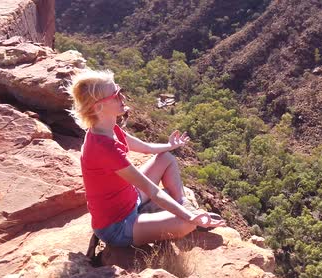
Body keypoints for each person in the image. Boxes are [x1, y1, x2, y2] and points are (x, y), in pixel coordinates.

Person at [68, 69, 225, 247]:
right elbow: (153, 191)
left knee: (165, 158)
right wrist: (191, 217)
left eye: (119, 90)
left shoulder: (107, 129)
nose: (123, 98)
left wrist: (171, 146)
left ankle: (183, 202)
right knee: (187, 223)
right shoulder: (105, 149)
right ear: (98, 107)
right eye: (116, 95)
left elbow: (146, 148)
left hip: (130, 199)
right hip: (118, 226)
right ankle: (185, 214)